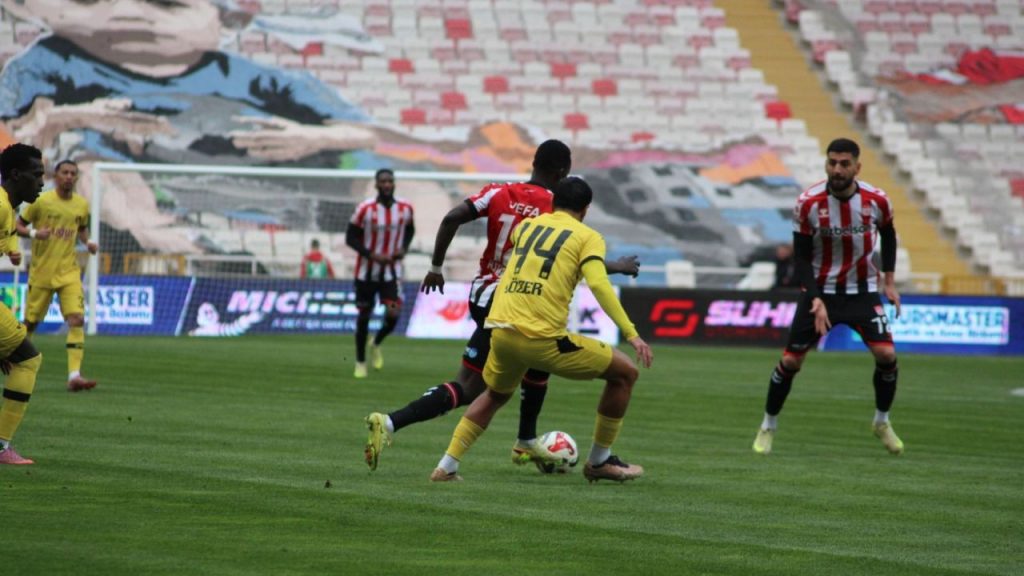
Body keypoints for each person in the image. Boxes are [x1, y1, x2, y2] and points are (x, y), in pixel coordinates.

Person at [363, 140, 639, 472]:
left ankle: (522, 441)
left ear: (533, 162)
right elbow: (573, 255)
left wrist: (436, 267)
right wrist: (618, 266)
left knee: (502, 375)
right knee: (502, 373)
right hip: (518, 297)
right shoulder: (555, 207)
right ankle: (399, 424)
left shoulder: (499, 192)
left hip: (482, 295)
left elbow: (451, 217)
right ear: (564, 171)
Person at [430, 176, 653, 483]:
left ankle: (446, 466)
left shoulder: (525, 228)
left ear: (553, 202)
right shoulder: (588, 236)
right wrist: (632, 334)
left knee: (494, 394)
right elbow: (599, 284)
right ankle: (600, 462)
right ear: (585, 209)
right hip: (541, 339)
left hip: (502, 331)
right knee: (625, 373)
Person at [752, 138, 904, 456]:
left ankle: (882, 422)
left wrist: (889, 281)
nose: (837, 169)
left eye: (844, 164)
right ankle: (768, 425)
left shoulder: (877, 200)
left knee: (887, 356)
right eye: (832, 162)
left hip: (863, 292)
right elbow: (801, 258)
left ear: (857, 167)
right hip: (820, 292)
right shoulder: (808, 203)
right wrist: (815, 298)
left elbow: (888, 234)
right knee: (791, 361)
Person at [15, 160, 99, 392]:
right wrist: (35, 233)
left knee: (77, 319)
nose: (69, 176)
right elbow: (18, 225)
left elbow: (81, 228)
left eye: (73, 173)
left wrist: (88, 242)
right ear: (56, 176)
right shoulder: (41, 201)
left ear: (76, 178)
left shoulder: (81, 205)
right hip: (42, 272)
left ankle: (74, 375)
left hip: (69, 272)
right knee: (30, 323)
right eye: (65, 172)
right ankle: (14, 361)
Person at [0, 143, 46, 465]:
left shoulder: (8, 208)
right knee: (28, 359)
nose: (42, 182)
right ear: (16, 174)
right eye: (37, 174)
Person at [345, 169, 414, 379]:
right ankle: (360, 362)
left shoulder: (405, 208)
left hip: (391, 275)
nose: (386, 184)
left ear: (394, 184)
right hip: (366, 275)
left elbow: (410, 230)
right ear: (376, 184)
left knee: (393, 314)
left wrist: (403, 249)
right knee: (364, 317)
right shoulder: (364, 209)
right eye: (383, 181)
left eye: (390, 181)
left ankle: (375, 342)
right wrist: (371, 255)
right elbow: (350, 238)